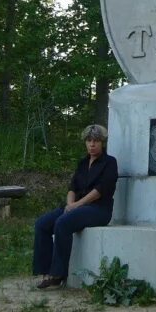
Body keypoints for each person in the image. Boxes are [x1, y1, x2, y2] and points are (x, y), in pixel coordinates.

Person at [33, 124, 118, 289]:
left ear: (102, 143)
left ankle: (58, 274)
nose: (92, 144)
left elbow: (99, 191)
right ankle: (45, 271)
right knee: (42, 224)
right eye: (89, 140)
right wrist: (70, 204)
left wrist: (76, 206)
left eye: (96, 141)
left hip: (99, 210)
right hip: (77, 207)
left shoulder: (110, 163)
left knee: (63, 223)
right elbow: (72, 187)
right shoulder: (82, 163)